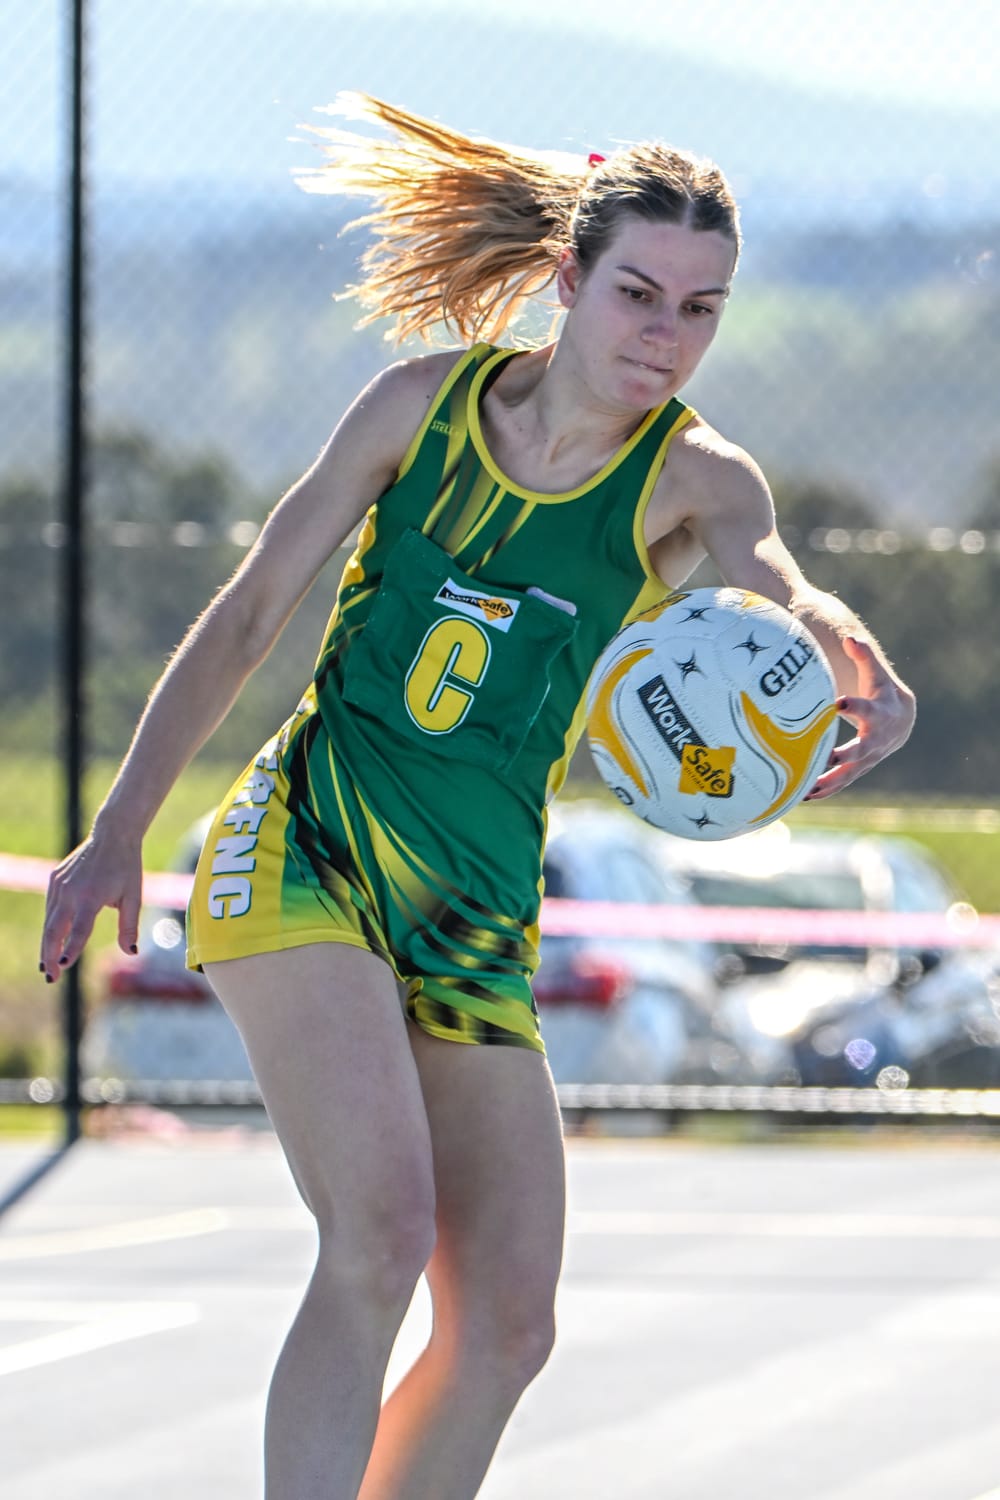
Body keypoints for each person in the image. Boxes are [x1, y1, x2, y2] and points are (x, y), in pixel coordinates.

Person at [40, 93, 915, 1499]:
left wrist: (847, 649)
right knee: (379, 1234)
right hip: (308, 845)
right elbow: (256, 605)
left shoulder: (695, 479)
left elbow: (779, 584)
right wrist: (122, 826)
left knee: (510, 1321)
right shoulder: (421, 406)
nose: (663, 333)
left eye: (701, 309)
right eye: (636, 292)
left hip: (475, 901)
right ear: (567, 280)